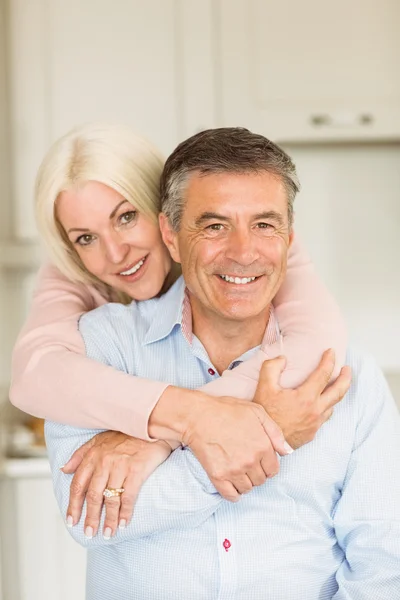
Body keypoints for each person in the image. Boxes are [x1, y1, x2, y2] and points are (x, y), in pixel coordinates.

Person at [45, 127, 400, 599]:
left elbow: (383, 561)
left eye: (264, 224)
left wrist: (162, 445)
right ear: (171, 236)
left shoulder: (344, 375)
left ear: (289, 240)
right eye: (214, 225)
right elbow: (91, 521)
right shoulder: (100, 347)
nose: (243, 252)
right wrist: (239, 440)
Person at [10, 123, 348, 529]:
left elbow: (318, 347)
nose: (115, 253)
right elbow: (34, 373)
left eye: (127, 217)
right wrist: (191, 417)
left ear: (168, 215)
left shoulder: (257, 241)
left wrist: (160, 439)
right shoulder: (94, 319)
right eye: (85, 238)